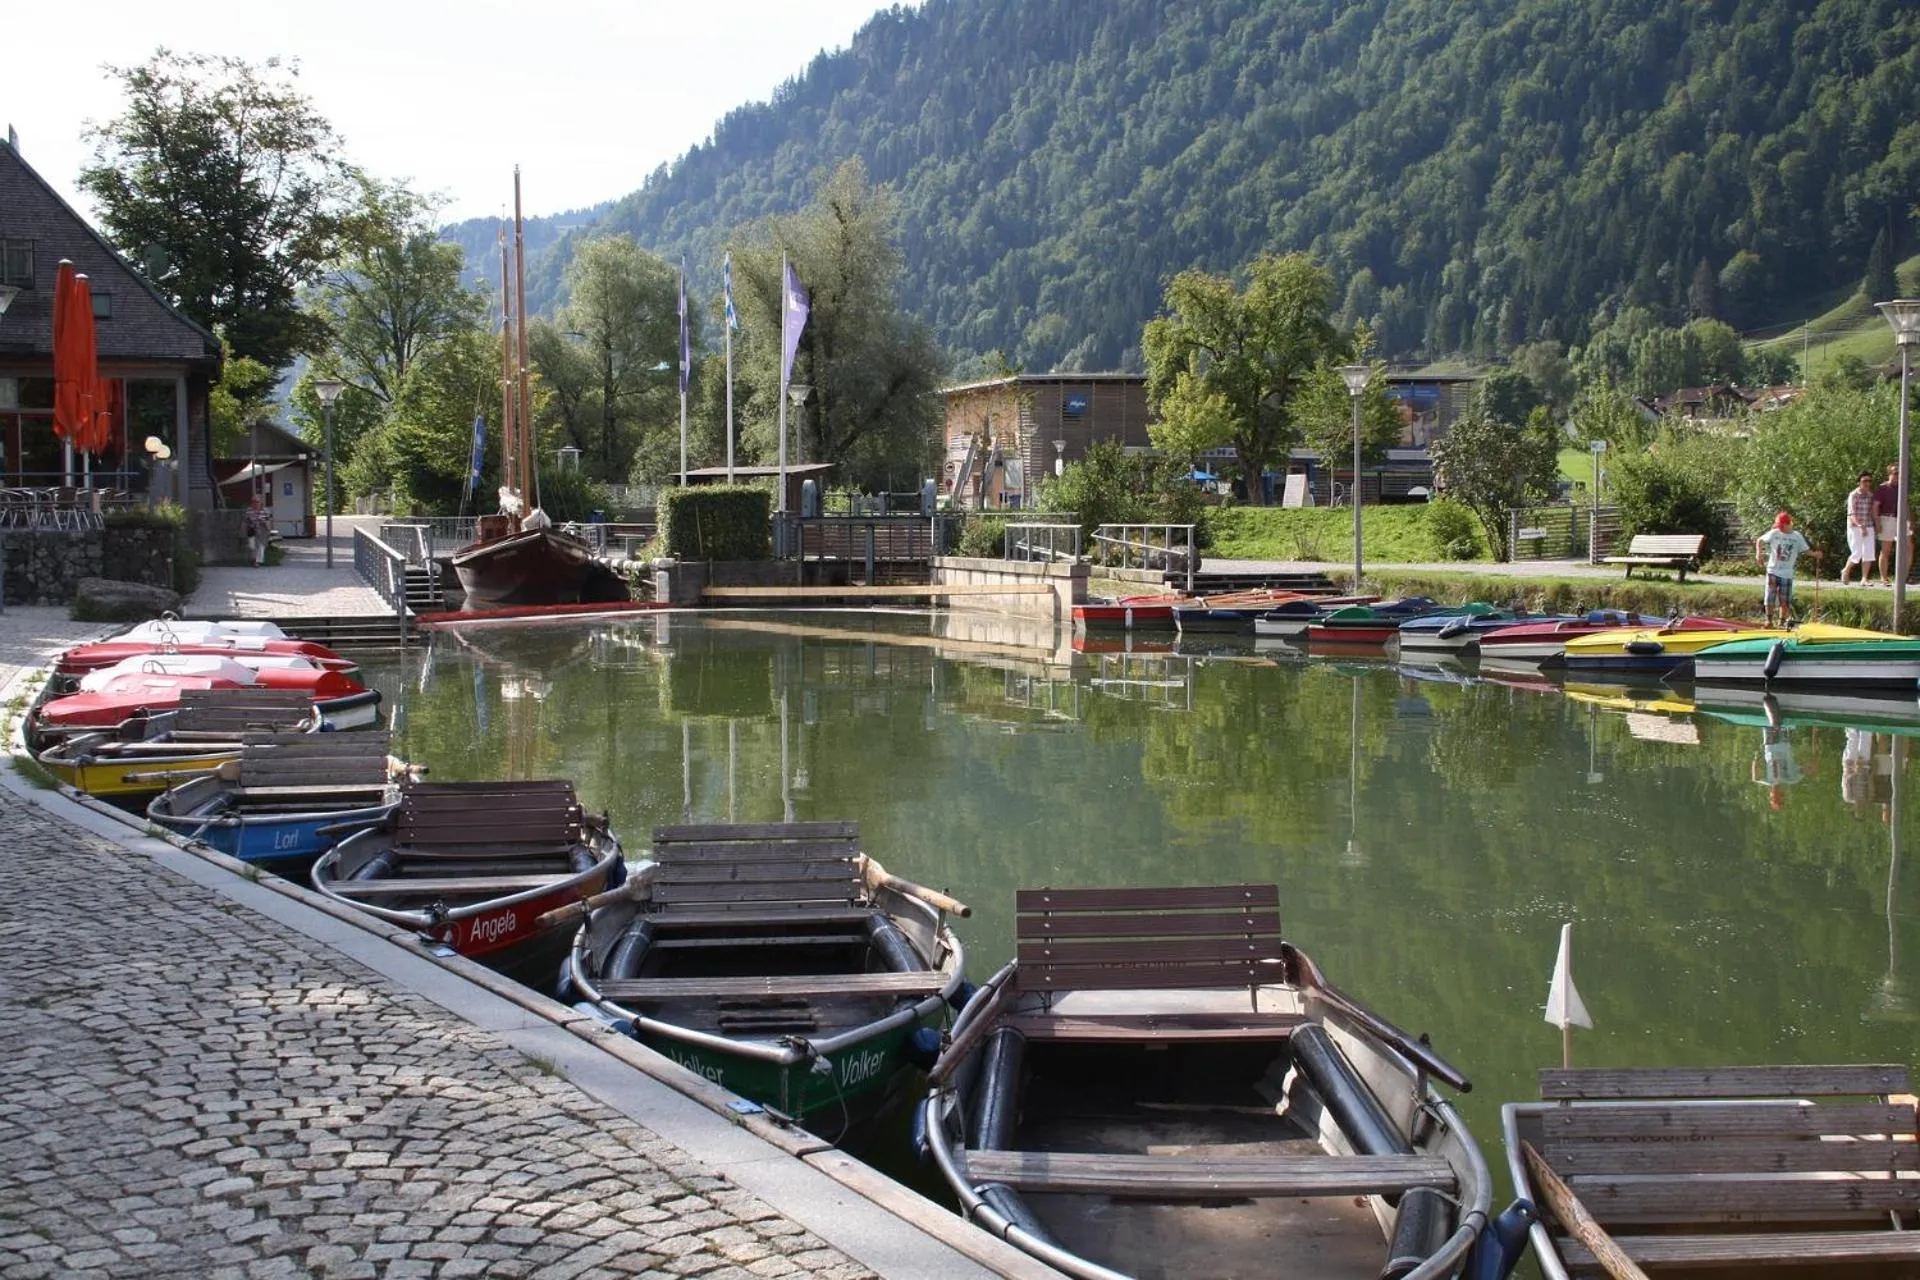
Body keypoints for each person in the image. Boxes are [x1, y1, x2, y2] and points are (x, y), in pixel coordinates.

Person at [1754, 510, 1810, 627]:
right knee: (1770, 597)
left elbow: (1806, 550)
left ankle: (1781, 622)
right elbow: (1759, 540)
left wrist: (1816, 554)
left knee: (1785, 601)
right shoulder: (1774, 533)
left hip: (1787, 573)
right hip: (1772, 570)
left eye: (1781, 526)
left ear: (1787, 524)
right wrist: (1758, 553)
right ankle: (1768, 621)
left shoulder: (1797, 536)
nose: (1779, 528)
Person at [1875, 462, 1911, 586]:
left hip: (1901, 519)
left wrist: (1909, 520)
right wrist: (1877, 522)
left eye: (1900, 473)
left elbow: (1906, 504)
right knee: (1886, 549)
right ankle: (1883, 578)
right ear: (1890, 474)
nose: (1898, 475)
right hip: (1887, 518)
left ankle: (1903, 577)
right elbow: (1875, 507)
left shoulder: (1903, 487)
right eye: (1895, 473)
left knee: (1909, 546)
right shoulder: (1882, 488)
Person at [1842, 471, 1877, 585]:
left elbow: (1873, 512)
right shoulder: (1853, 495)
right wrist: (1860, 526)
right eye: (1864, 481)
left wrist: (1876, 524)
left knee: (1869, 552)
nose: (1867, 483)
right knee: (1857, 553)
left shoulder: (1871, 495)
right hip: (1855, 526)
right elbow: (1851, 514)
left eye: (1869, 481)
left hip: (1869, 526)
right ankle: (1846, 570)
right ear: (1859, 482)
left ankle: (1864, 579)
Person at [244, 495, 273, 566]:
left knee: (260, 545)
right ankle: (255, 560)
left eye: (257, 502)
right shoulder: (249, 510)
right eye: (253, 502)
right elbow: (245, 521)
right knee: (252, 545)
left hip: (262, 529)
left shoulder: (265, 510)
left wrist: (269, 530)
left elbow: (269, 520)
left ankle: (256, 561)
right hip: (251, 529)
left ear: (261, 502)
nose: (255, 503)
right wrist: (245, 528)